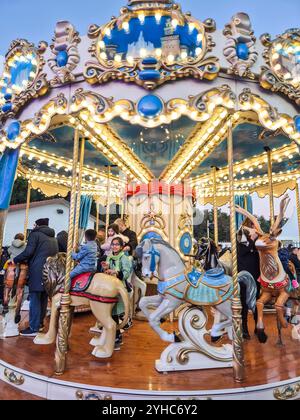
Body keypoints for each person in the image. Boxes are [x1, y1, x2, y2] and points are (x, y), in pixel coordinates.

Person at [13, 218, 58, 337]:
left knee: (35, 299)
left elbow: (29, 252)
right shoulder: (53, 237)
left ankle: (33, 328)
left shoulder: (35, 234)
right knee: (43, 298)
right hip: (49, 271)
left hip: (38, 270)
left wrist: (15, 259)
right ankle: (39, 324)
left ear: (37, 225)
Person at [102, 237, 133, 350]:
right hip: (109, 287)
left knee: (114, 314)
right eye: (113, 244)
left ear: (121, 246)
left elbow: (126, 273)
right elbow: (107, 272)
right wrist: (106, 268)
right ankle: (113, 336)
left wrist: (115, 271)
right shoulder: (109, 257)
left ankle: (116, 338)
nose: (114, 246)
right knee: (109, 313)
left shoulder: (124, 258)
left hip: (119, 287)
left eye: (117, 245)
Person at [237, 224, 260, 340]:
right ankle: (244, 329)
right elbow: (242, 252)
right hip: (244, 280)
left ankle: (258, 326)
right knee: (244, 305)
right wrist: (252, 239)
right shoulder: (240, 246)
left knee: (256, 304)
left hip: (256, 279)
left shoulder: (255, 247)